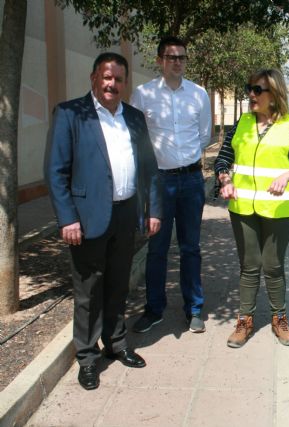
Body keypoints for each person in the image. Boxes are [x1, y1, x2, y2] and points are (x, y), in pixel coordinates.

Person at [44, 52, 162, 390]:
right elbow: (56, 172)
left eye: (118, 79)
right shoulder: (71, 114)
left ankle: (116, 344)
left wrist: (153, 210)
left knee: (117, 284)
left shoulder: (135, 118)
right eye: (106, 77)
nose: (112, 84)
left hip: (125, 214)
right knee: (88, 290)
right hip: (87, 217)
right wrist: (67, 218)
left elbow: (149, 168)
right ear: (94, 78)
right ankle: (87, 357)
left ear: (125, 84)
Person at [214, 69, 289, 348]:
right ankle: (244, 321)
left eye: (258, 90)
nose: (251, 95)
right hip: (242, 206)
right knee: (249, 265)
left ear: (274, 94)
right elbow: (222, 160)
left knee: (272, 265)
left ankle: (279, 319)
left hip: (279, 210)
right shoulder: (241, 124)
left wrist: (288, 175)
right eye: (250, 89)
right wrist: (225, 179)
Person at [130, 36, 212, 334]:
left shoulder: (199, 94)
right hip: (160, 182)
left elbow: (204, 135)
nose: (177, 61)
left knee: (191, 247)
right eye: (171, 57)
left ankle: (194, 309)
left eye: (181, 57)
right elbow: (137, 138)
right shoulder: (143, 95)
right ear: (160, 60)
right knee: (157, 248)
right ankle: (154, 309)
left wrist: (185, 159)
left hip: (191, 180)